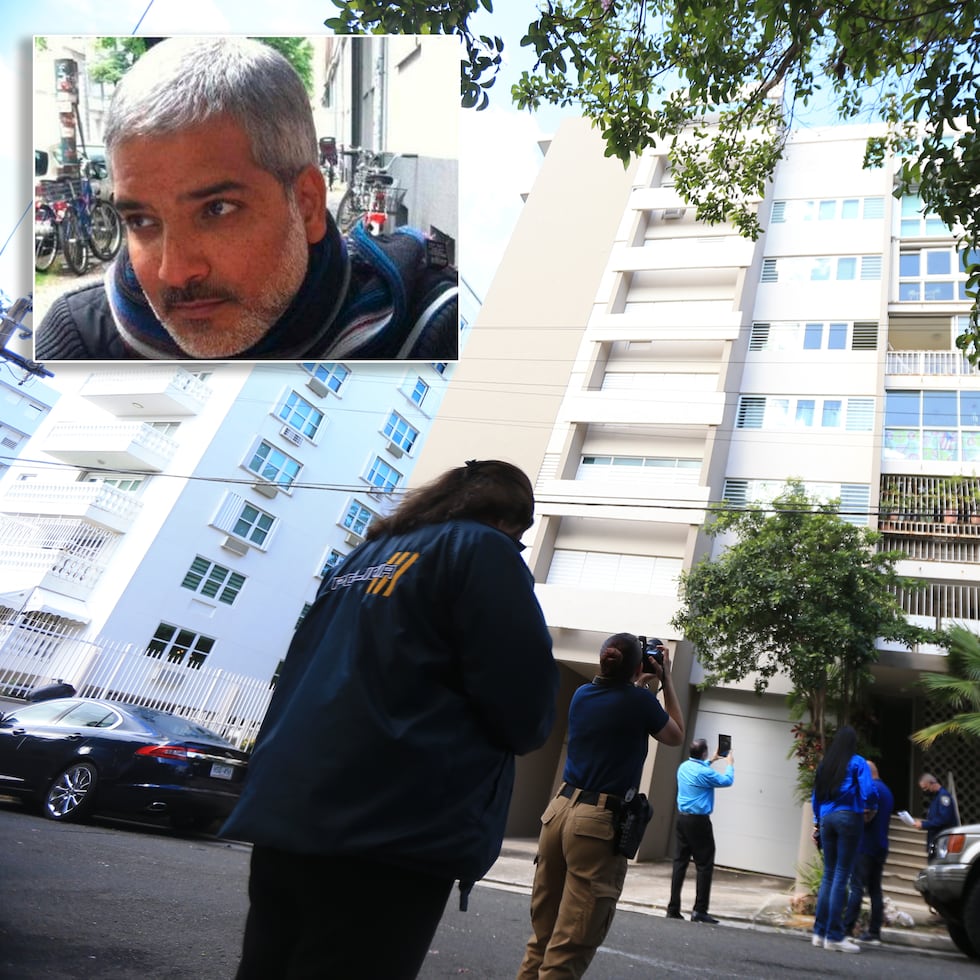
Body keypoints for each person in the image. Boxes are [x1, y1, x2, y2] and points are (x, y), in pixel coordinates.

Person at [221, 460, 558, 980]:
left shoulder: (361, 558)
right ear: (510, 518)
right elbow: (524, 708)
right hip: (391, 820)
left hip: (290, 808)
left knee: (268, 964)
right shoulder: (483, 550)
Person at [35, 36, 458, 361]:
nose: (175, 272)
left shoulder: (431, 327)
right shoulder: (79, 337)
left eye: (216, 209)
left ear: (308, 204)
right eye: (142, 221)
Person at [516, 633, 684, 979]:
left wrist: (638, 679)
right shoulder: (638, 703)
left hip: (558, 813)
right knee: (570, 944)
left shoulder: (582, 694)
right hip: (594, 826)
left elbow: (622, 700)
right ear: (639, 666)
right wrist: (665, 678)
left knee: (542, 939)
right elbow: (675, 735)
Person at [810, 726, 878, 954]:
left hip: (827, 818)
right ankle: (835, 936)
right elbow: (869, 791)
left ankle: (819, 933)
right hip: (849, 817)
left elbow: (816, 796)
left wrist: (817, 822)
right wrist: (872, 807)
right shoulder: (857, 762)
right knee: (841, 875)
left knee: (828, 875)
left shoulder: (825, 764)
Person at [665, 737, 734, 923]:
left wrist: (712, 759)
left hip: (682, 820)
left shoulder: (683, 767)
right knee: (704, 865)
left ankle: (673, 908)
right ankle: (699, 910)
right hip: (699, 822)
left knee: (680, 863)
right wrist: (730, 763)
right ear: (703, 752)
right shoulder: (704, 773)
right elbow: (727, 780)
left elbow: (701, 769)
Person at [843, 760, 894, 944]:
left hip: (865, 845)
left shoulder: (871, 790)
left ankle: (847, 928)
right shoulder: (887, 791)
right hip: (881, 845)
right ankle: (874, 932)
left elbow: (865, 816)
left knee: (856, 887)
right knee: (875, 890)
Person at [914, 772, 959, 851]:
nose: (925, 791)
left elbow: (943, 819)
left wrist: (924, 824)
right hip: (936, 841)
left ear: (932, 783)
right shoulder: (935, 798)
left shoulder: (943, 796)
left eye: (925, 788)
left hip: (943, 842)